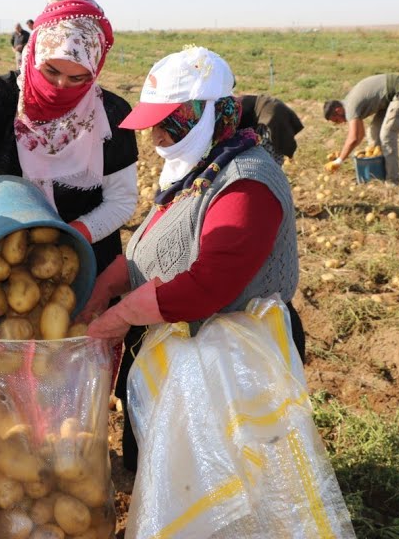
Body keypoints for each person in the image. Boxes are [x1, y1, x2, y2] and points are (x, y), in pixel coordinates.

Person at [79, 46, 303, 471]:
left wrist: (119, 316)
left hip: (233, 363)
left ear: (204, 115)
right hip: (183, 351)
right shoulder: (200, 169)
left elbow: (209, 285)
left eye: (166, 125)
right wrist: (107, 287)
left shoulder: (246, 181)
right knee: (167, 473)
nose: (154, 138)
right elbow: (157, 245)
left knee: (224, 480)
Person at [0, 0, 139, 303]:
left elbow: (122, 200)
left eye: (77, 78)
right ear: (33, 51)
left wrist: (72, 239)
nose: (61, 86)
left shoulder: (111, 115)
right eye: (51, 71)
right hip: (10, 260)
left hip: (87, 260)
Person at [322, 73, 399, 184]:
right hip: (389, 99)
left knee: (386, 135)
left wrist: (339, 161)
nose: (341, 122)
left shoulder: (350, 108)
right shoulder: (348, 104)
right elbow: (359, 136)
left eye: (337, 120)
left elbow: (352, 138)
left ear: (338, 110)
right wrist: (344, 153)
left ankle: (392, 181)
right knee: (373, 134)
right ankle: (377, 174)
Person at [239, 93, 305, 164]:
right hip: (272, 109)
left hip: (272, 115)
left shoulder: (236, 108)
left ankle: (273, 170)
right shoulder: (236, 104)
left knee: (268, 155)